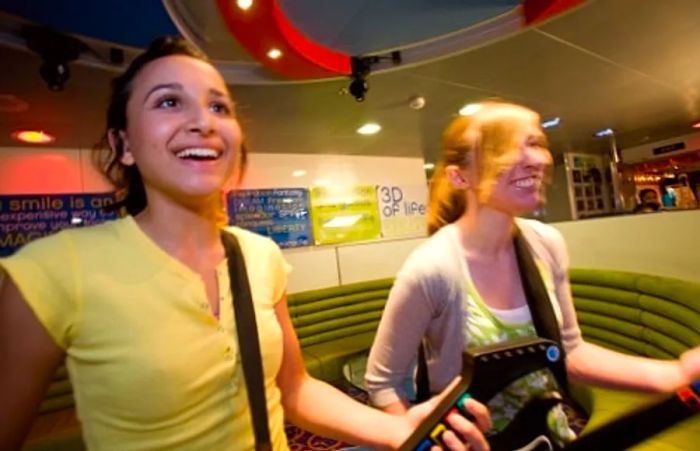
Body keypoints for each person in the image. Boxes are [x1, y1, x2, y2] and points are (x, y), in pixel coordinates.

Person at [0, 37, 491, 451]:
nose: (203, 121)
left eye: (218, 105)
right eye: (169, 102)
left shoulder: (259, 257)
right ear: (123, 144)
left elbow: (294, 389)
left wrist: (397, 426)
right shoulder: (55, 270)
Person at [364, 100, 700, 446]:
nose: (538, 160)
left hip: (547, 434)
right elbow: (383, 382)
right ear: (459, 176)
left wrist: (673, 375)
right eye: (505, 147)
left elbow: (570, 350)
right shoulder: (432, 269)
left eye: (536, 143)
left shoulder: (546, 243)